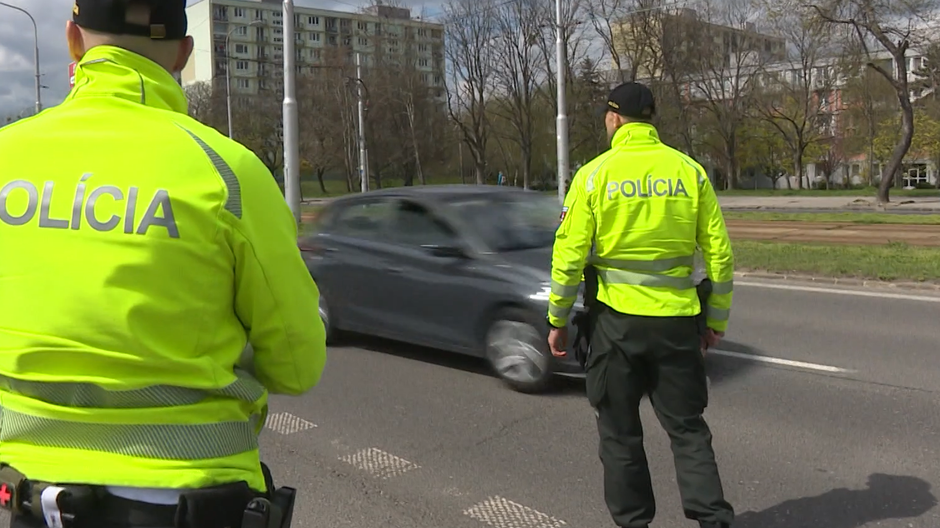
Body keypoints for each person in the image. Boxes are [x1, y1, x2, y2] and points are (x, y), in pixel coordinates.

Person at [0, 1, 327, 526]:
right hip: (187, 499)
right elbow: (298, 364)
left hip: (34, 497)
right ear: (183, 53)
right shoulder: (229, 173)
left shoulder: (6, 154)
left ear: (73, 40)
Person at [546, 81, 735, 528]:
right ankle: (714, 520)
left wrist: (557, 319)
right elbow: (720, 256)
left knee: (620, 433)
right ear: (651, 120)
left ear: (614, 119)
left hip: (616, 327)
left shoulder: (593, 176)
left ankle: (633, 523)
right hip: (678, 324)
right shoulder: (689, 172)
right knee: (688, 429)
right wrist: (716, 320)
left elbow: (569, 258)